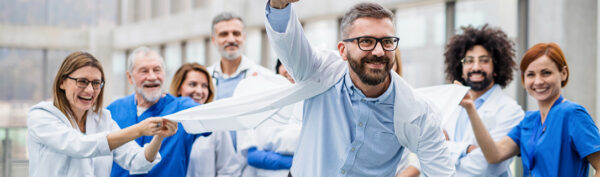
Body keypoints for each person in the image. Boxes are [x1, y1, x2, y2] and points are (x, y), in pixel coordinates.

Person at [265, 1, 455, 176]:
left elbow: (442, 171)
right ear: (342, 50)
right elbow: (288, 45)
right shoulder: (318, 72)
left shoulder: (418, 112)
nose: (379, 51)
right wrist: (279, 6)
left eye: (387, 42)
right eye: (366, 41)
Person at [398, 24, 524, 177]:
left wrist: (448, 148)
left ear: (496, 67)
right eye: (469, 60)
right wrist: (466, 149)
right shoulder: (448, 105)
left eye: (484, 60)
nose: (476, 67)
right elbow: (426, 158)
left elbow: (484, 169)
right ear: (460, 68)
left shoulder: (511, 111)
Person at [27, 51, 178, 177]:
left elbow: (136, 160)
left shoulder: (104, 119)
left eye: (96, 83)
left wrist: (159, 136)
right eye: (82, 81)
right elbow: (79, 146)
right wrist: (139, 130)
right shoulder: (42, 116)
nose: (90, 90)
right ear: (62, 82)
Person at [463, 42, 600, 177]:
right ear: (524, 80)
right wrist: (470, 108)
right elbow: (494, 155)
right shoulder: (529, 121)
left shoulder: (572, 115)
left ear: (563, 73)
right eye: (531, 75)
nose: (538, 81)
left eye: (546, 73)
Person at [107, 47, 211, 177]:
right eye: (144, 71)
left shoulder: (182, 107)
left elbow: (212, 117)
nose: (152, 77)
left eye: (157, 70)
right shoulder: (113, 110)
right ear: (130, 77)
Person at [207, 12, 274, 177]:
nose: (231, 39)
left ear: (244, 37)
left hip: (251, 167)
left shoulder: (265, 78)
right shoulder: (204, 79)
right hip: (212, 166)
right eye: (223, 34)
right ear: (214, 40)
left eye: (236, 33)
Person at [169, 63, 241, 177]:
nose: (199, 91)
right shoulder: (166, 123)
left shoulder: (215, 126)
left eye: (204, 86)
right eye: (192, 84)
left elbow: (229, 169)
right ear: (178, 88)